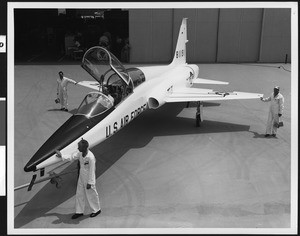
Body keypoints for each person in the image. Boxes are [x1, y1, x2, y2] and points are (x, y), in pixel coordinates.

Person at [55, 139, 101, 219]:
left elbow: (92, 170)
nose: (78, 148)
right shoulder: (80, 153)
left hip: (88, 178)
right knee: (79, 194)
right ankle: (79, 211)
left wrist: (90, 183)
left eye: (79, 147)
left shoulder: (90, 157)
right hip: (81, 176)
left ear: (84, 148)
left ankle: (96, 210)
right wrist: (62, 156)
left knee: (91, 194)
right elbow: (72, 157)